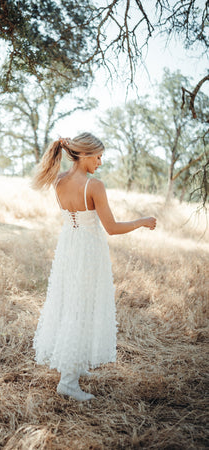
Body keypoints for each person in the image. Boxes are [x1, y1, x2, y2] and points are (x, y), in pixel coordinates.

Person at [32, 132, 156, 401]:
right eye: (98, 157)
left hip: (68, 246)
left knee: (71, 304)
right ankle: (68, 382)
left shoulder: (59, 180)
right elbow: (111, 228)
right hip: (88, 251)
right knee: (82, 307)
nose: (100, 162)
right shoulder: (94, 186)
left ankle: (74, 364)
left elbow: (72, 217)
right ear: (84, 155)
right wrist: (142, 221)